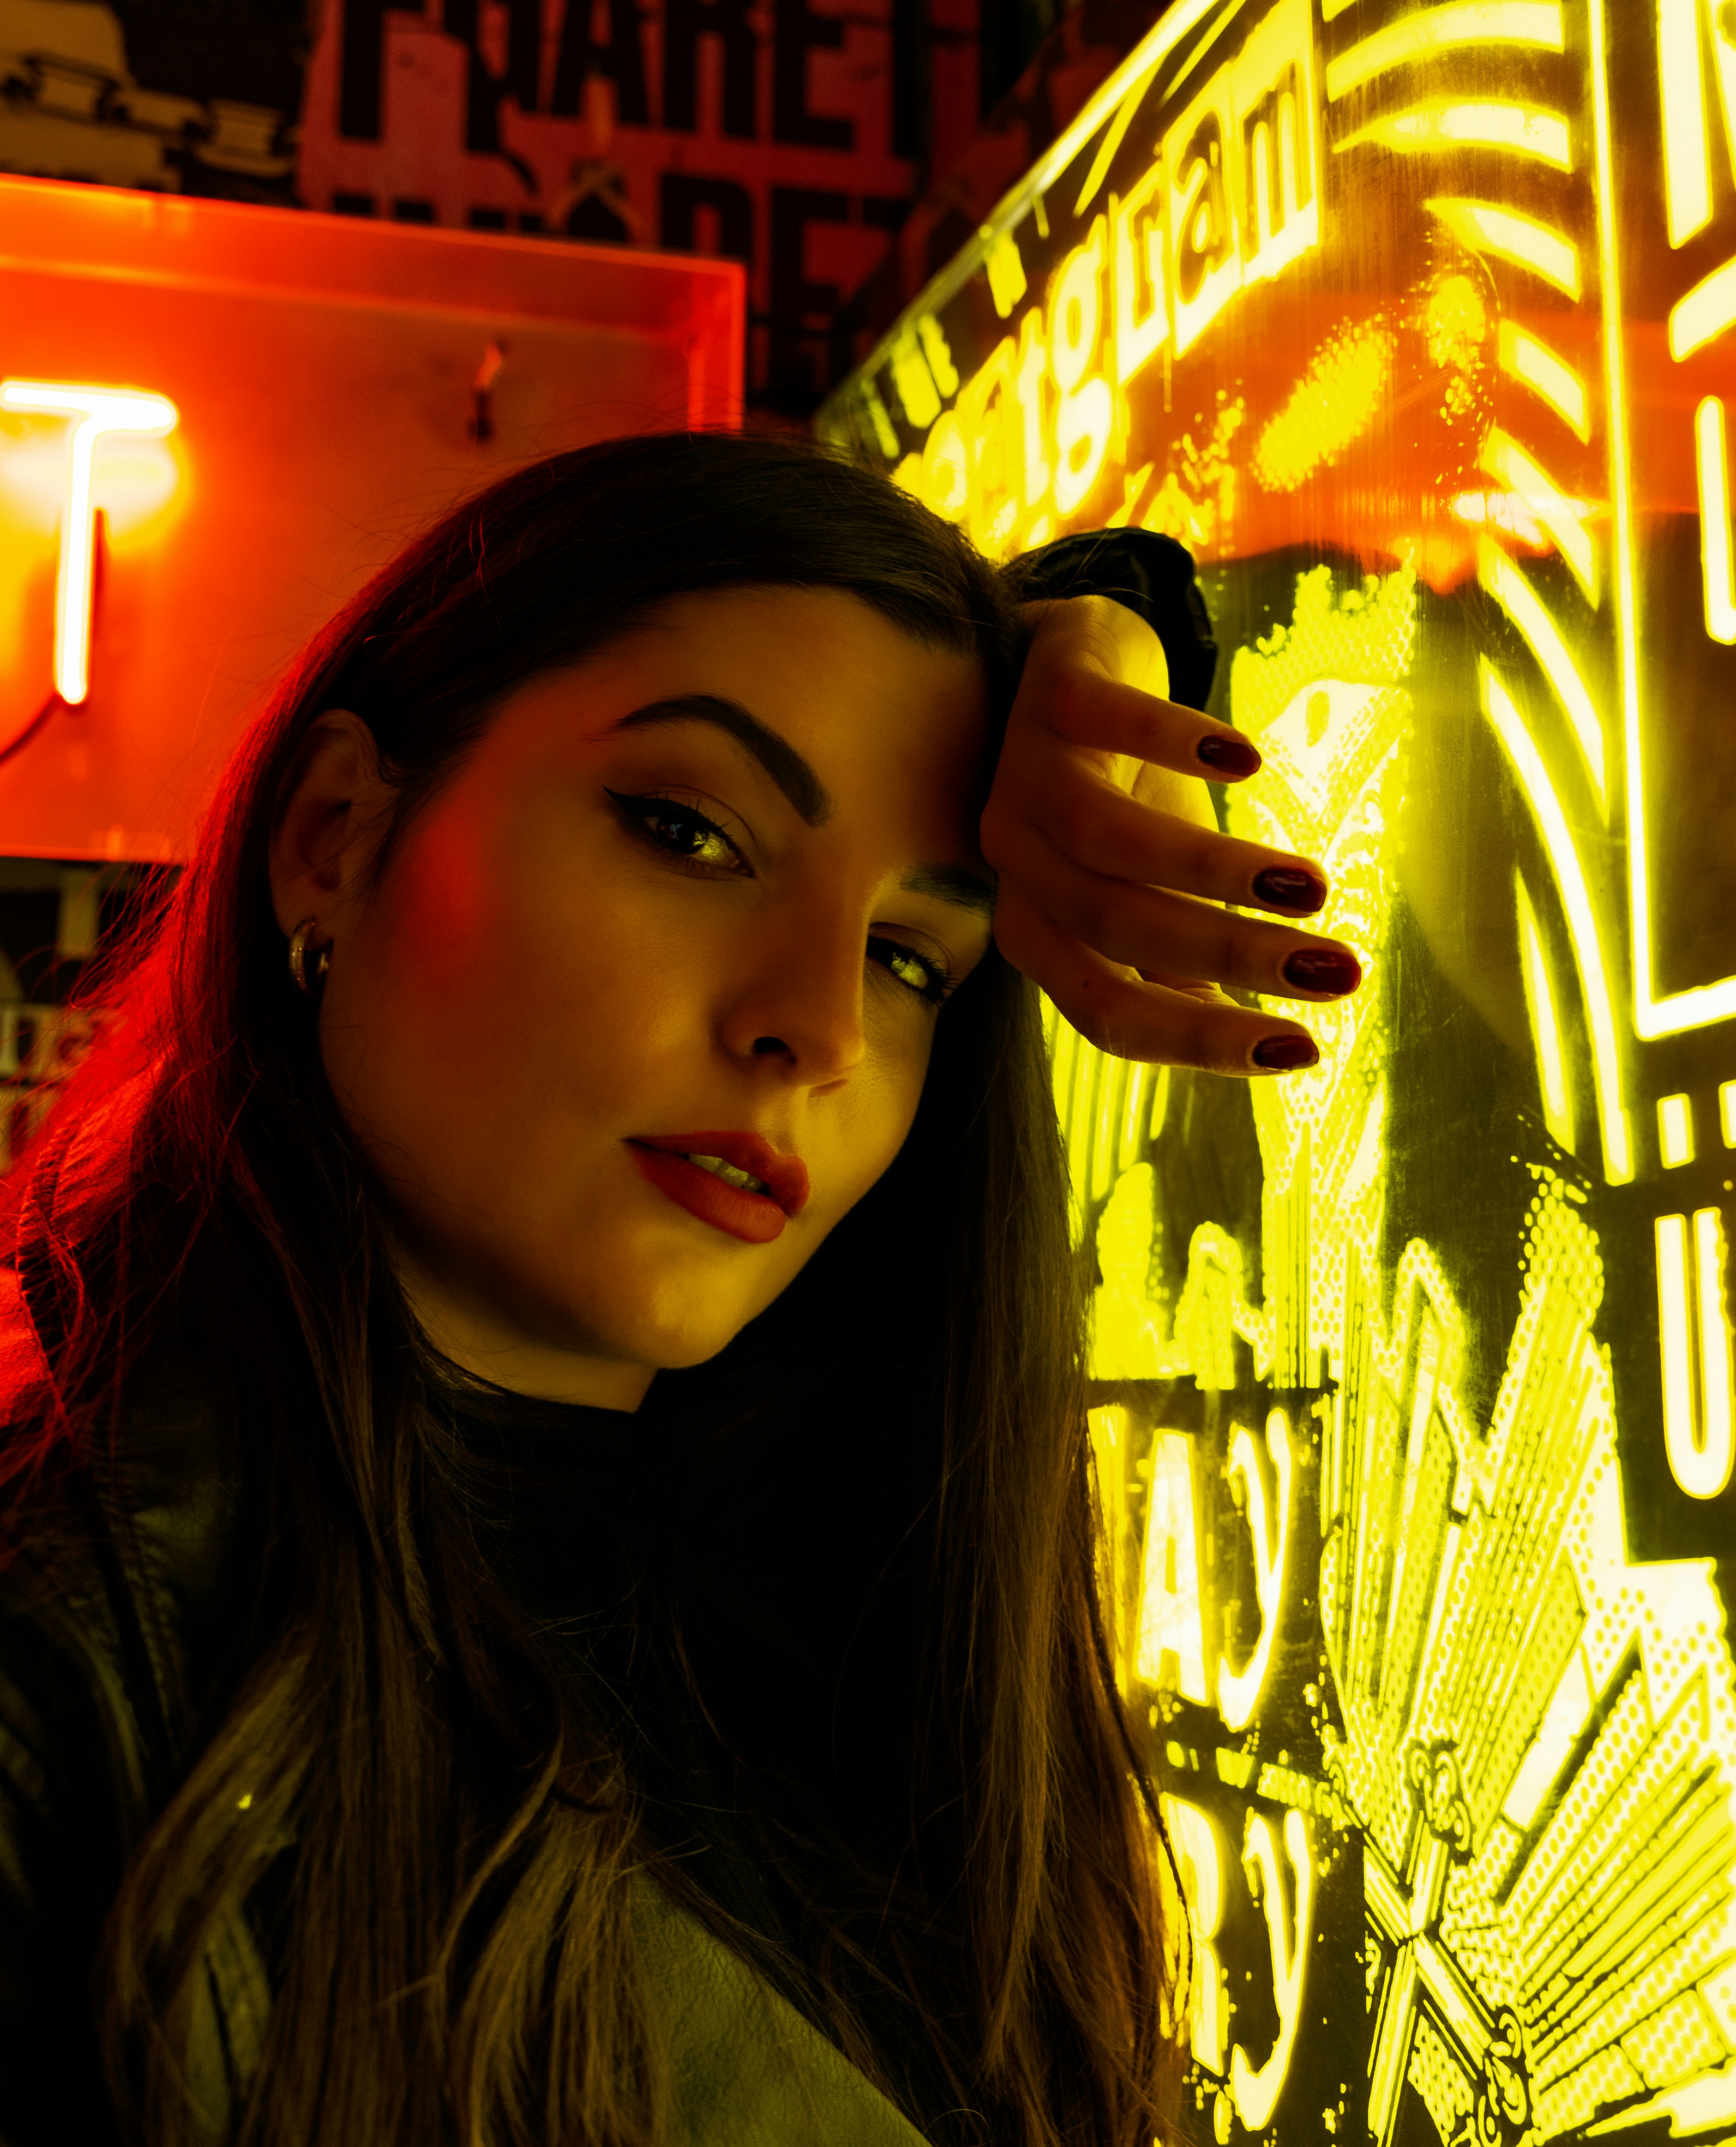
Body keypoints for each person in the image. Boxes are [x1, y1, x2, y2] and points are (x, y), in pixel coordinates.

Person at [0, 433, 1357, 2147]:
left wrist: (1110, 616)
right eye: (690, 832)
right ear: (334, 835)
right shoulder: (79, 1703)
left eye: (909, 956)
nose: (819, 1026)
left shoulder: (889, 1653)